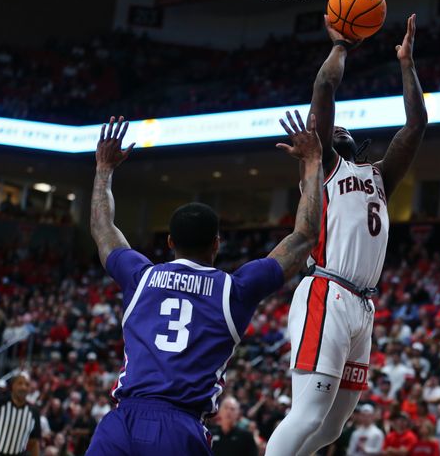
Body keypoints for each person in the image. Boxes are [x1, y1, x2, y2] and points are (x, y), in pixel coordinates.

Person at [85, 113, 324, 455]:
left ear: (169, 242)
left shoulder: (140, 276)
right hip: (178, 428)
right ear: (216, 244)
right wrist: (313, 161)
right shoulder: (235, 290)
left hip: (120, 424)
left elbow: (102, 227)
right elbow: (304, 237)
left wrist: (104, 169)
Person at [266, 13, 428, 456]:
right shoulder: (322, 167)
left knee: (333, 427)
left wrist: (407, 65)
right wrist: (341, 46)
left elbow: (415, 127)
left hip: (363, 303)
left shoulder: (378, 176)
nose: (334, 128)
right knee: (308, 413)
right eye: (329, 129)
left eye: (341, 130)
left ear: (355, 142)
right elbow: (324, 89)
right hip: (328, 289)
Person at [0, 373, 41, 456]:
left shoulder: (34, 412)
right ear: (13, 386)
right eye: (20, 383)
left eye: (27, 384)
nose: (23, 387)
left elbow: (34, 442)